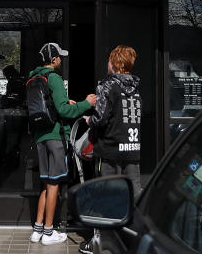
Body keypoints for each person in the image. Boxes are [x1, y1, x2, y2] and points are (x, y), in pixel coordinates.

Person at [29, 42, 97, 246]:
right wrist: (87, 104)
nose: (61, 60)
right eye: (59, 57)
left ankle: (38, 230)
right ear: (53, 59)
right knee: (55, 183)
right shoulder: (55, 78)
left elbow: (53, 106)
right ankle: (49, 232)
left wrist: (68, 103)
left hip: (40, 137)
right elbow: (64, 112)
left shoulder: (34, 78)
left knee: (46, 183)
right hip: (56, 136)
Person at [79, 45, 142, 254]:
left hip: (109, 151)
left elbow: (101, 117)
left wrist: (89, 119)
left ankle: (101, 243)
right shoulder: (135, 86)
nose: (107, 64)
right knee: (132, 197)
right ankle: (132, 239)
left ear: (114, 63)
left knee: (105, 195)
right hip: (132, 149)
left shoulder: (107, 86)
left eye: (109, 60)